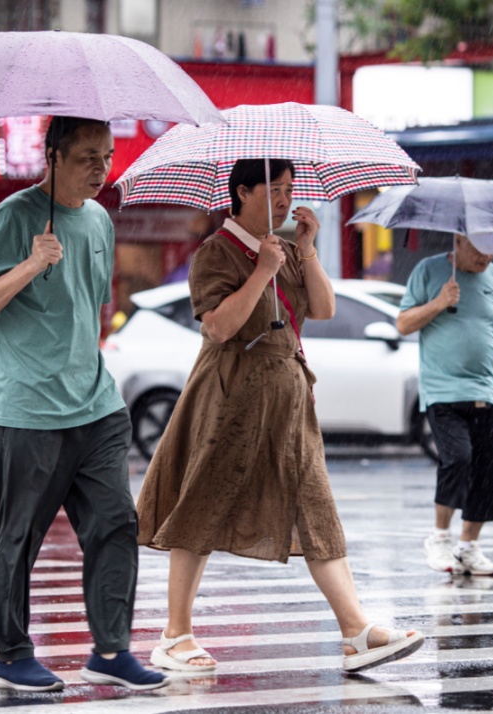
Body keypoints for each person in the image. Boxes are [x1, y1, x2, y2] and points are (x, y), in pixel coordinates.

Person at [136, 158, 425, 674]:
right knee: (202, 502)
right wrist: (262, 273)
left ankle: (356, 630)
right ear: (242, 192)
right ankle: (175, 634)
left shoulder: (286, 249)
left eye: (289, 189)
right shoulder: (216, 252)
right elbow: (218, 327)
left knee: (316, 506)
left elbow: (324, 308)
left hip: (288, 398)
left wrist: (306, 250)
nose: (285, 199)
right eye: (273, 189)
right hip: (230, 396)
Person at [0, 116, 165, 693]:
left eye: (108, 156)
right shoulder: (12, 216)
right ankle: (12, 657)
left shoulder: (100, 219)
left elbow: (91, 306)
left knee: (116, 522)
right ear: (52, 156)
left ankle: (111, 649)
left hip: (96, 404)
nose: (102, 169)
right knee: (19, 535)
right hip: (28, 407)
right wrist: (31, 264)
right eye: (87, 158)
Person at [396, 235, 493, 577]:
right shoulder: (428, 270)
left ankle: (469, 546)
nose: (487, 257)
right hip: (442, 391)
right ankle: (439, 537)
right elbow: (403, 324)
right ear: (460, 240)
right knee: (458, 458)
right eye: (480, 249)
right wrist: (439, 302)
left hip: (485, 391)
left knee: (485, 471)